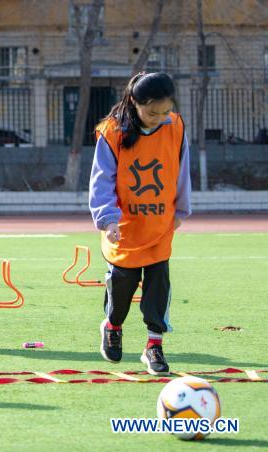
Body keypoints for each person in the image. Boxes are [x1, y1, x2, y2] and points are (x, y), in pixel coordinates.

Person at [90, 71, 191, 375]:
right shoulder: (112, 132)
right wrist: (107, 218)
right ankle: (112, 325)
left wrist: (181, 211)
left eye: (164, 111)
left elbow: (182, 170)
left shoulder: (175, 126)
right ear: (134, 102)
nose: (158, 118)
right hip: (123, 229)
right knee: (122, 288)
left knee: (158, 287)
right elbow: (101, 178)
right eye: (151, 112)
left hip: (159, 225)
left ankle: (154, 346)